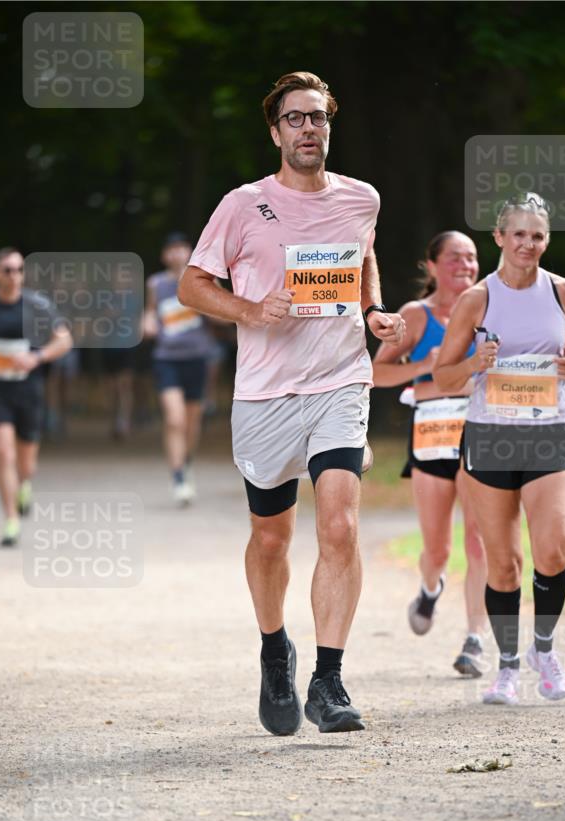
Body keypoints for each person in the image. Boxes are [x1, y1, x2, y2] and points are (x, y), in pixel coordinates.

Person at [178, 71, 404, 734]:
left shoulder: (361, 198)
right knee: (270, 537)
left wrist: (372, 309)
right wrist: (250, 309)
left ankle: (328, 681)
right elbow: (193, 284)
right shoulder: (243, 205)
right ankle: (274, 649)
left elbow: (362, 256)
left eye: (318, 117)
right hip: (265, 393)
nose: (309, 129)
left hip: (339, 381)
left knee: (338, 528)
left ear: (329, 126)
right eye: (295, 119)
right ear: (275, 133)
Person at [433, 194, 565, 705]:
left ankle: (544, 650)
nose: (528, 244)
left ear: (547, 240)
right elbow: (442, 375)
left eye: (537, 235)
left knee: (553, 550)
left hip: (552, 431)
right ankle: (506, 667)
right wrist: (475, 363)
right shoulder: (476, 299)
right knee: (503, 564)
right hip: (491, 437)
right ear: (499, 237)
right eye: (518, 234)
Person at [372, 232, 487, 676]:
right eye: (454, 257)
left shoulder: (490, 309)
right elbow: (376, 373)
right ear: (433, 265)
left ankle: (475, 640)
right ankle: (430, 587)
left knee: (478, 540)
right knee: (437, 549)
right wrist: (427, 367)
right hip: (432, 436)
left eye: (471, 258)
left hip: (481, 434)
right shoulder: (415, 316)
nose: (465, 265)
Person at [0, 247, 72, 545]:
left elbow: (64, 340)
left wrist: (37, 357)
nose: (14, 276)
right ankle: (11, 520)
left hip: (28, 390)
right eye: (7, 270)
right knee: (4, 453)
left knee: (26, 464)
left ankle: (24, 485)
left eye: (19, 270)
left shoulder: (37, 305)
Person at [143, 232, 225, 506]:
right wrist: (148, 322)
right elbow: (151, 311)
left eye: (182, 248)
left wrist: (205, 304)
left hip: (197, 358)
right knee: (174, 419)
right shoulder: (155, 283)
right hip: (167, 358)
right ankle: (178, 475)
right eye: (172, 249)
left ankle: (185, 462)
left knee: (191, 421)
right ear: (164, 255)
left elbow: (225, 314)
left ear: (190, 252)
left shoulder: (205, 280)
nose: (177, 253)